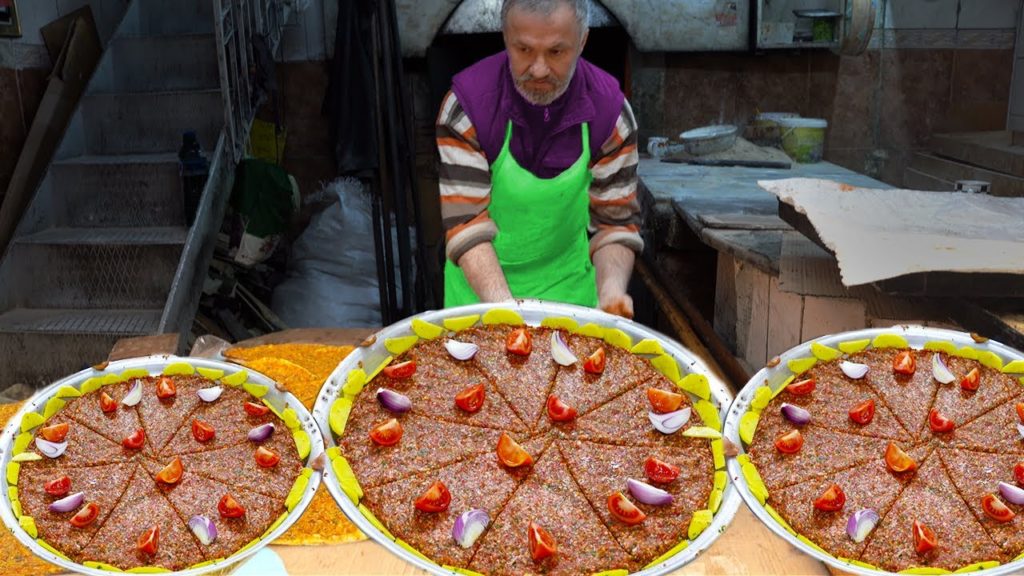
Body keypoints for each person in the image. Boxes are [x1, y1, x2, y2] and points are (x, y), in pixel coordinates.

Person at [436, 0, 642, 318]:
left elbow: (614, 224)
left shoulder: (611, 115)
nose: (539, 69)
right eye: (524, 50)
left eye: (557, 52)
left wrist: (611, 291)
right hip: (479, 304)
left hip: (571, 302)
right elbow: (466, 226)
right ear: (505, 37)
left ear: (583, 40)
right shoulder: (466, 108)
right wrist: (507, 315)